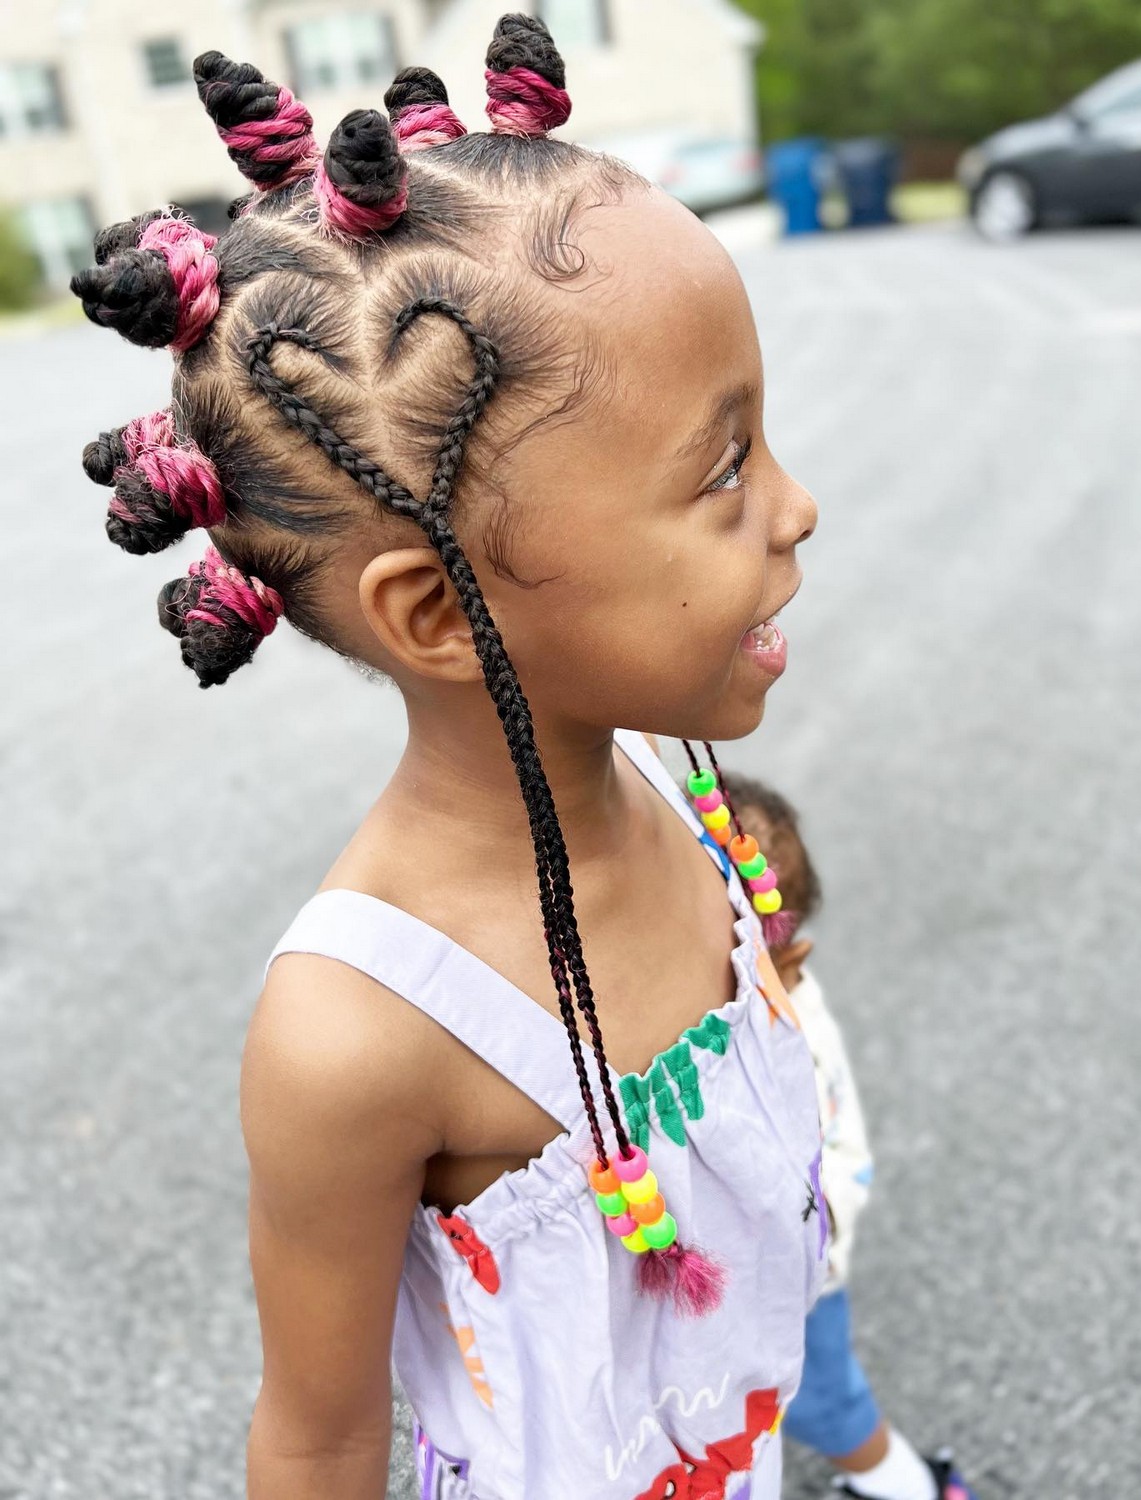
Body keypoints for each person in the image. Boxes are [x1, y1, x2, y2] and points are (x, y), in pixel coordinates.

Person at [69, 16, 828, 1498]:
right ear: (434, 612)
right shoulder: (353, 1038)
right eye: (725, 467)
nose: (797, 509)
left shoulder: (685, 788)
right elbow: (318, 1437)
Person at [722, 775, 977, 1500]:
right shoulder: (761, 994)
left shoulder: (777, 1041)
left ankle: (913, 1488)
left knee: (830, 1408)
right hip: (759, 1263)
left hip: (799, 1270)